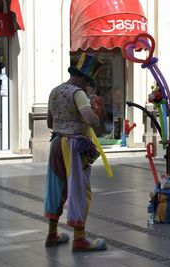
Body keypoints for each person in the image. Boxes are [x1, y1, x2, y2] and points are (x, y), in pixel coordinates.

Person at [44, 53, 107, 252]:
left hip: (56, 143)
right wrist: (96, 112)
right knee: (79, 189)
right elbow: (91, 120)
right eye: (88, 83)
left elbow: (49, 123)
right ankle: (79, 239)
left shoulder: (55, 91)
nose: (88, 87)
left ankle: (52, 234)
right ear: (83, 78)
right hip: (75, 146)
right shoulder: (78, 94)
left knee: (56, 187)